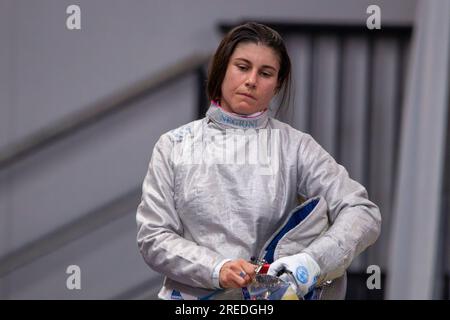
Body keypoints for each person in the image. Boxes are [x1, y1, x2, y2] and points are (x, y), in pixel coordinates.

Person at [136, 22, 381, 300]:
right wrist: (217, 268)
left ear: (277, 84)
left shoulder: (295, 146)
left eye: (265, 73)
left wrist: (310, 263)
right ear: (222, 70)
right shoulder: (174, 145)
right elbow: (153, 237)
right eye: (242, 67)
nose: (252, 80)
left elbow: (362, 211)